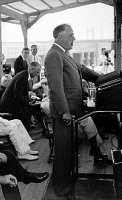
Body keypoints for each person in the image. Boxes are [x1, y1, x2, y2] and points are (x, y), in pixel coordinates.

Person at [44, 24, 111, 199]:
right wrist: (64, 111)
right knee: (64, 154)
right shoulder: (53, 55)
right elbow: (56, 87)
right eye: (71, 35)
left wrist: (104, 78)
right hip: (65, 114)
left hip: (74, 112)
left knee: (70, 153)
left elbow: (81, 69)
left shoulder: (64, 54)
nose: (74, 38)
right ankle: (62, 190)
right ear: (60, 37)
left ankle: (67, 186)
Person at [0, 62, 47, 135]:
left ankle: (44, 130)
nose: (38, 74)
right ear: (31, 69)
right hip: (9, 106)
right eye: (37, 72)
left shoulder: (24, 75)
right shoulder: (22, 77)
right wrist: (27, 103)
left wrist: (29, 101)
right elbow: (17, 95)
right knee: (26, 117)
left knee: (35, 109)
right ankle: (25, 137)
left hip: (15, 103)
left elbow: (21, 94)